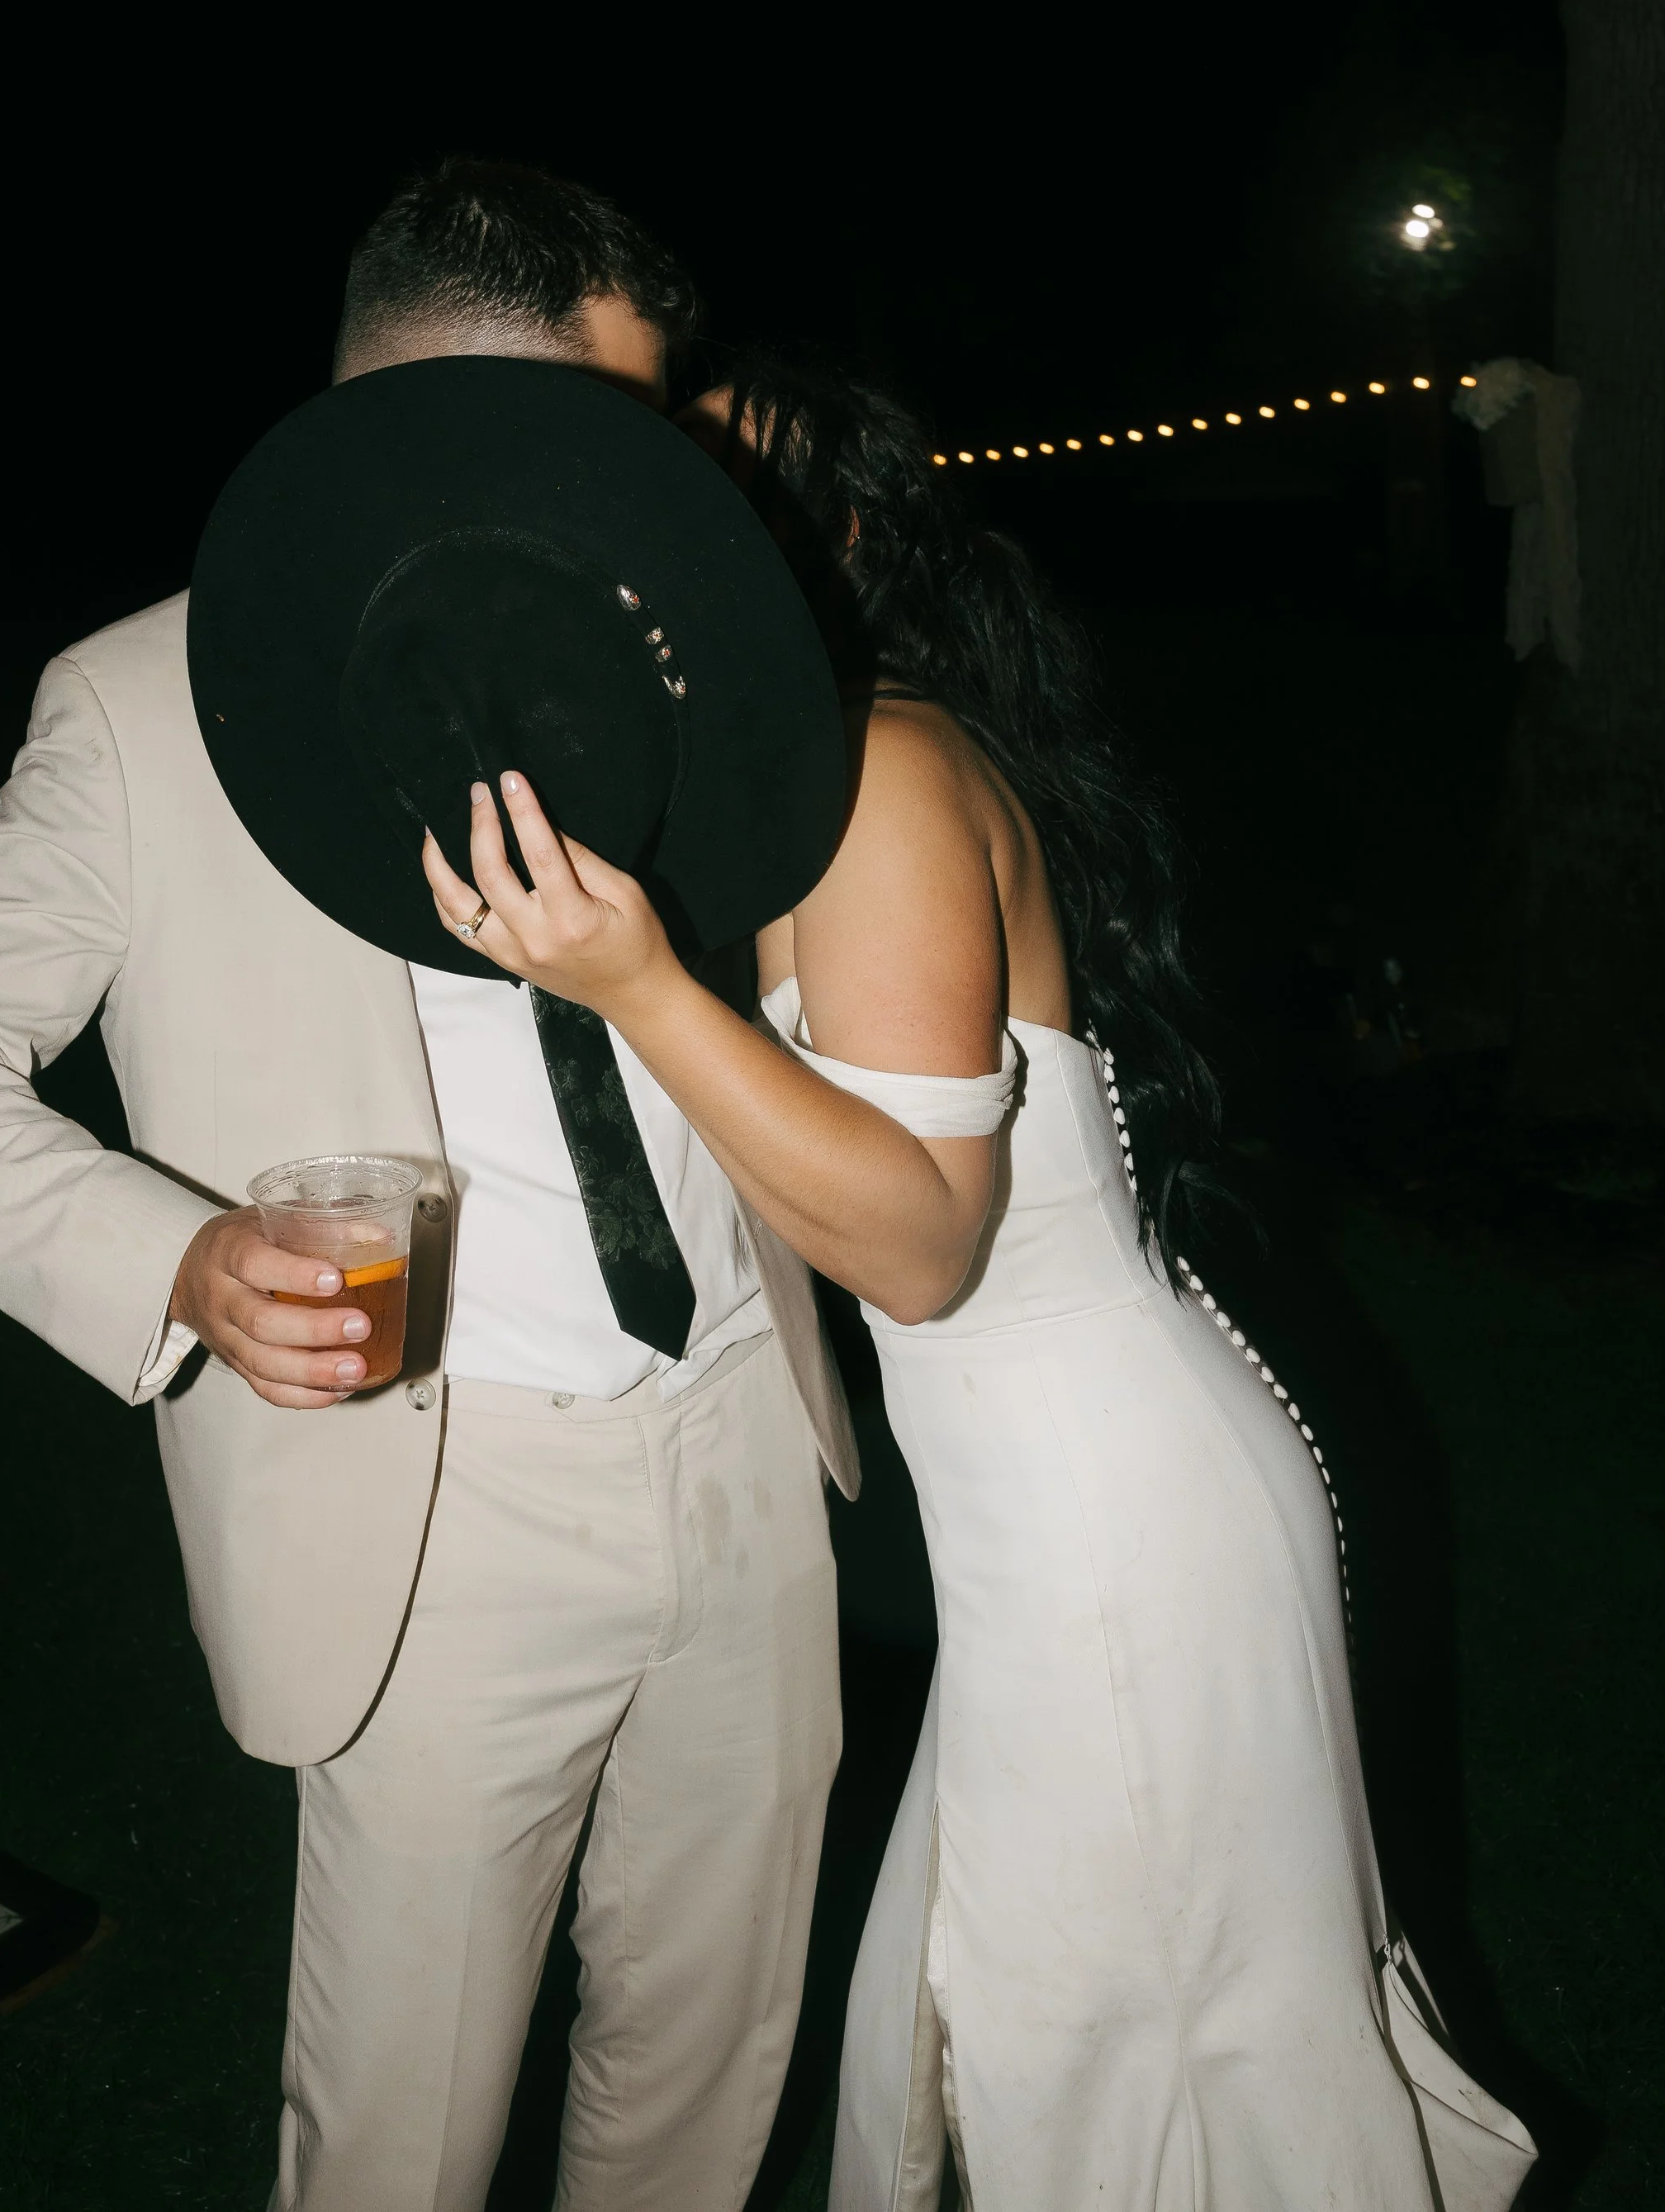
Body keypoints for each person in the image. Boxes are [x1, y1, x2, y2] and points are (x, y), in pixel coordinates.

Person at [0, 163, 856, 2212]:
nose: (658, 487)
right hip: (435, 1501)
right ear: (438, 411)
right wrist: (174, 1256)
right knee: (399, 2136)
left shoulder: (669, 637)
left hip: (745, 1435)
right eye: (612, 428)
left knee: (706, 2078)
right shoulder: (140, 703)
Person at [417, 356, 1537, 2212]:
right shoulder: (816, 778)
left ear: (840, 542)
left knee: (1138, 2076)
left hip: (1109, 1541)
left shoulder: (879, 772)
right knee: (1080, 2049)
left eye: (730, 502)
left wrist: (635, 991)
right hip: (1068, 1520)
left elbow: (926, 1246)